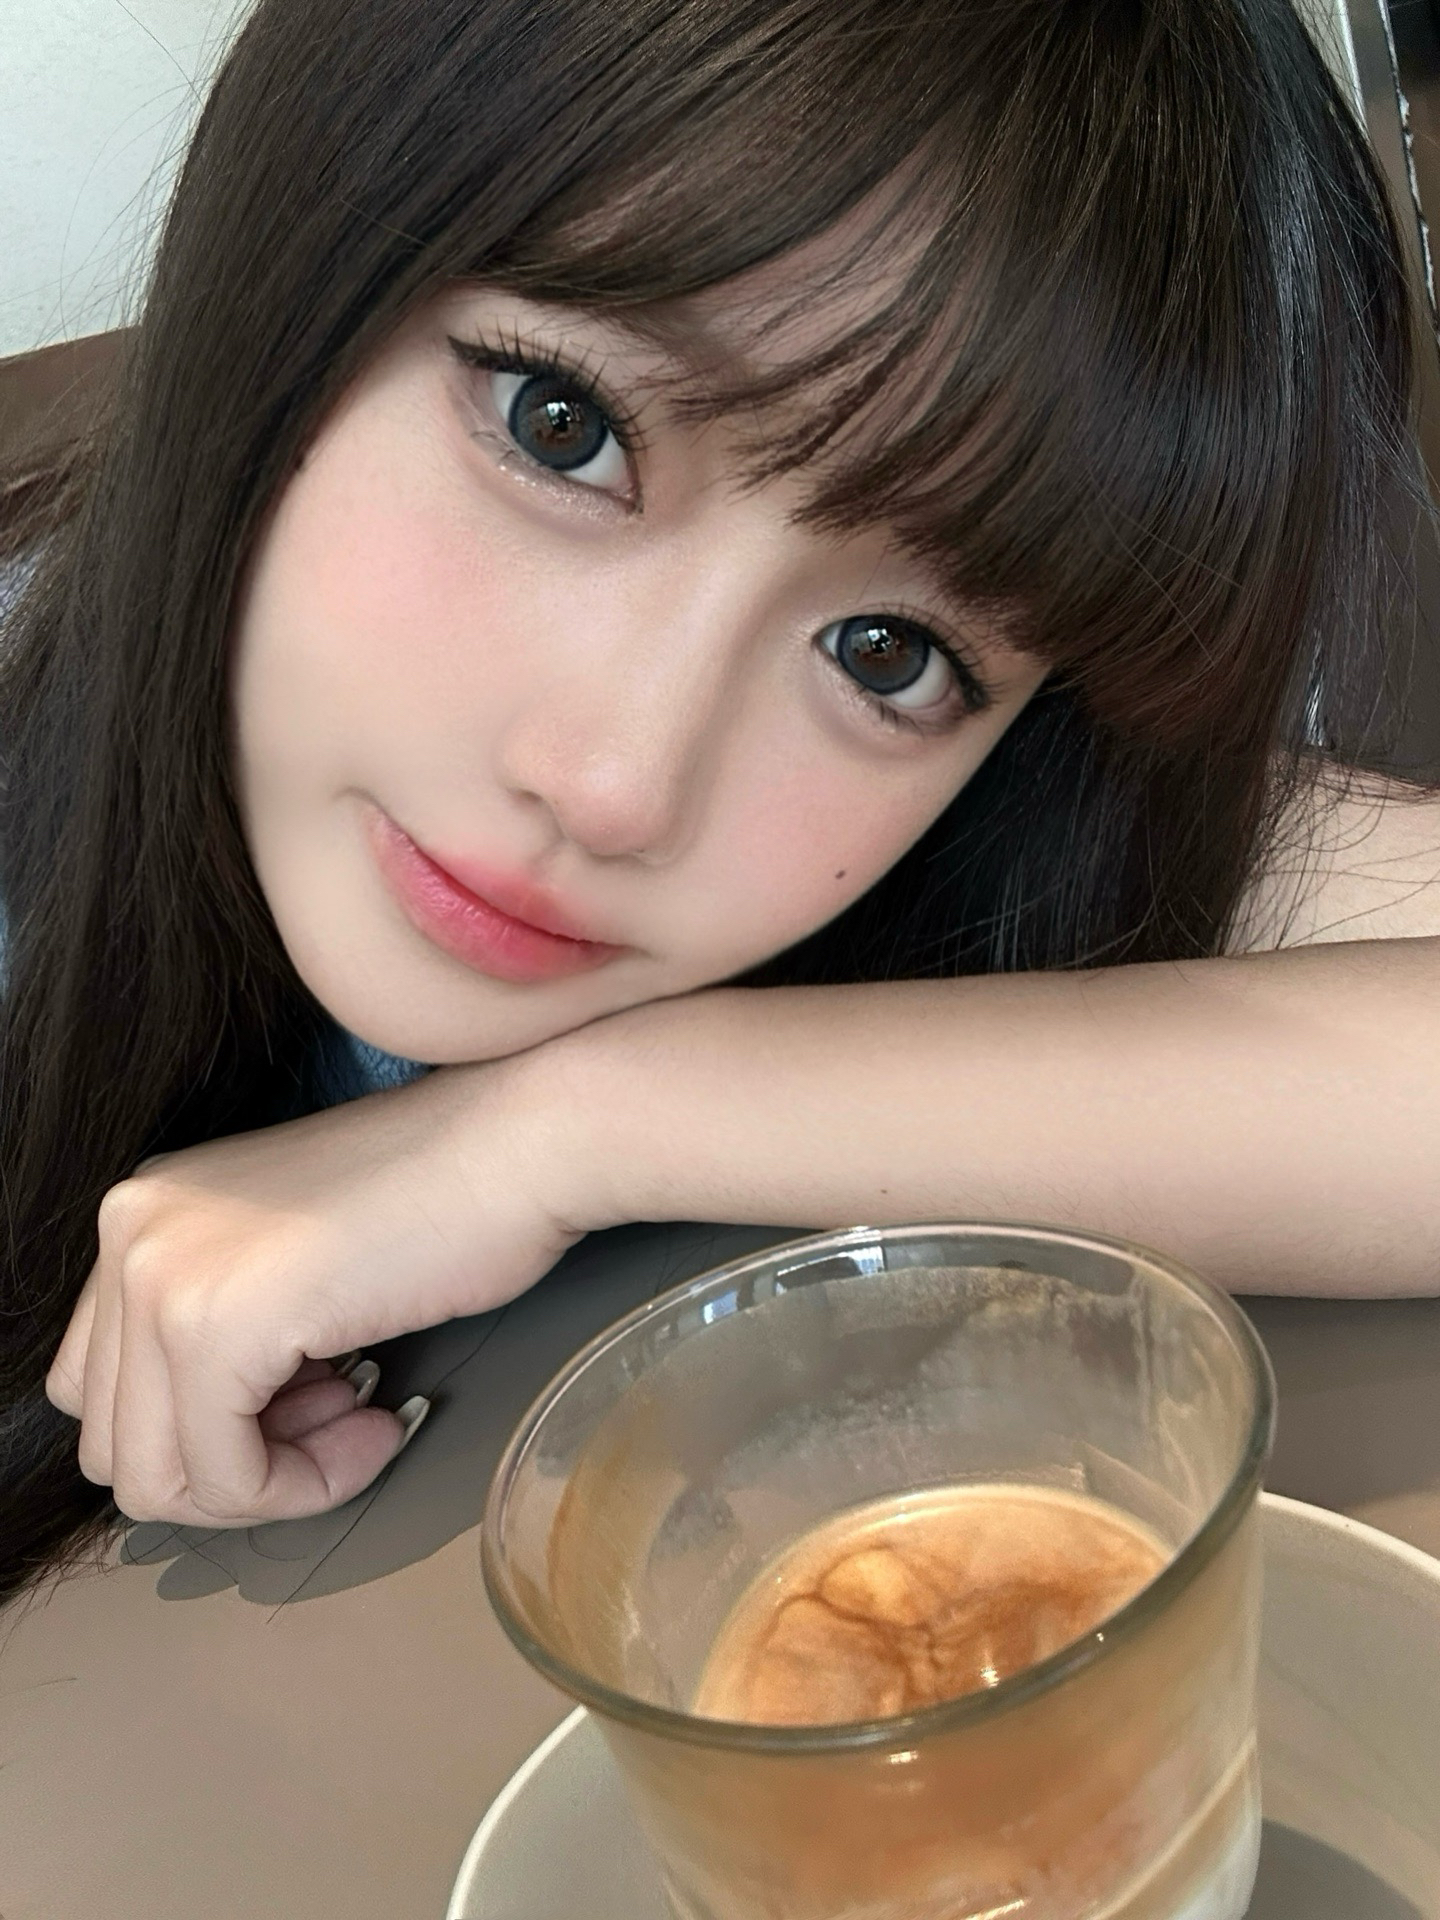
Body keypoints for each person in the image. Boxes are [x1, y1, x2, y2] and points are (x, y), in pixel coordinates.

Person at [2, 0, 1437, 1606]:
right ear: (292, 263)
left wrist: (564, 1132)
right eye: (562, 425)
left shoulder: (1003, 825)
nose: (617, 784)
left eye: (889, 655)